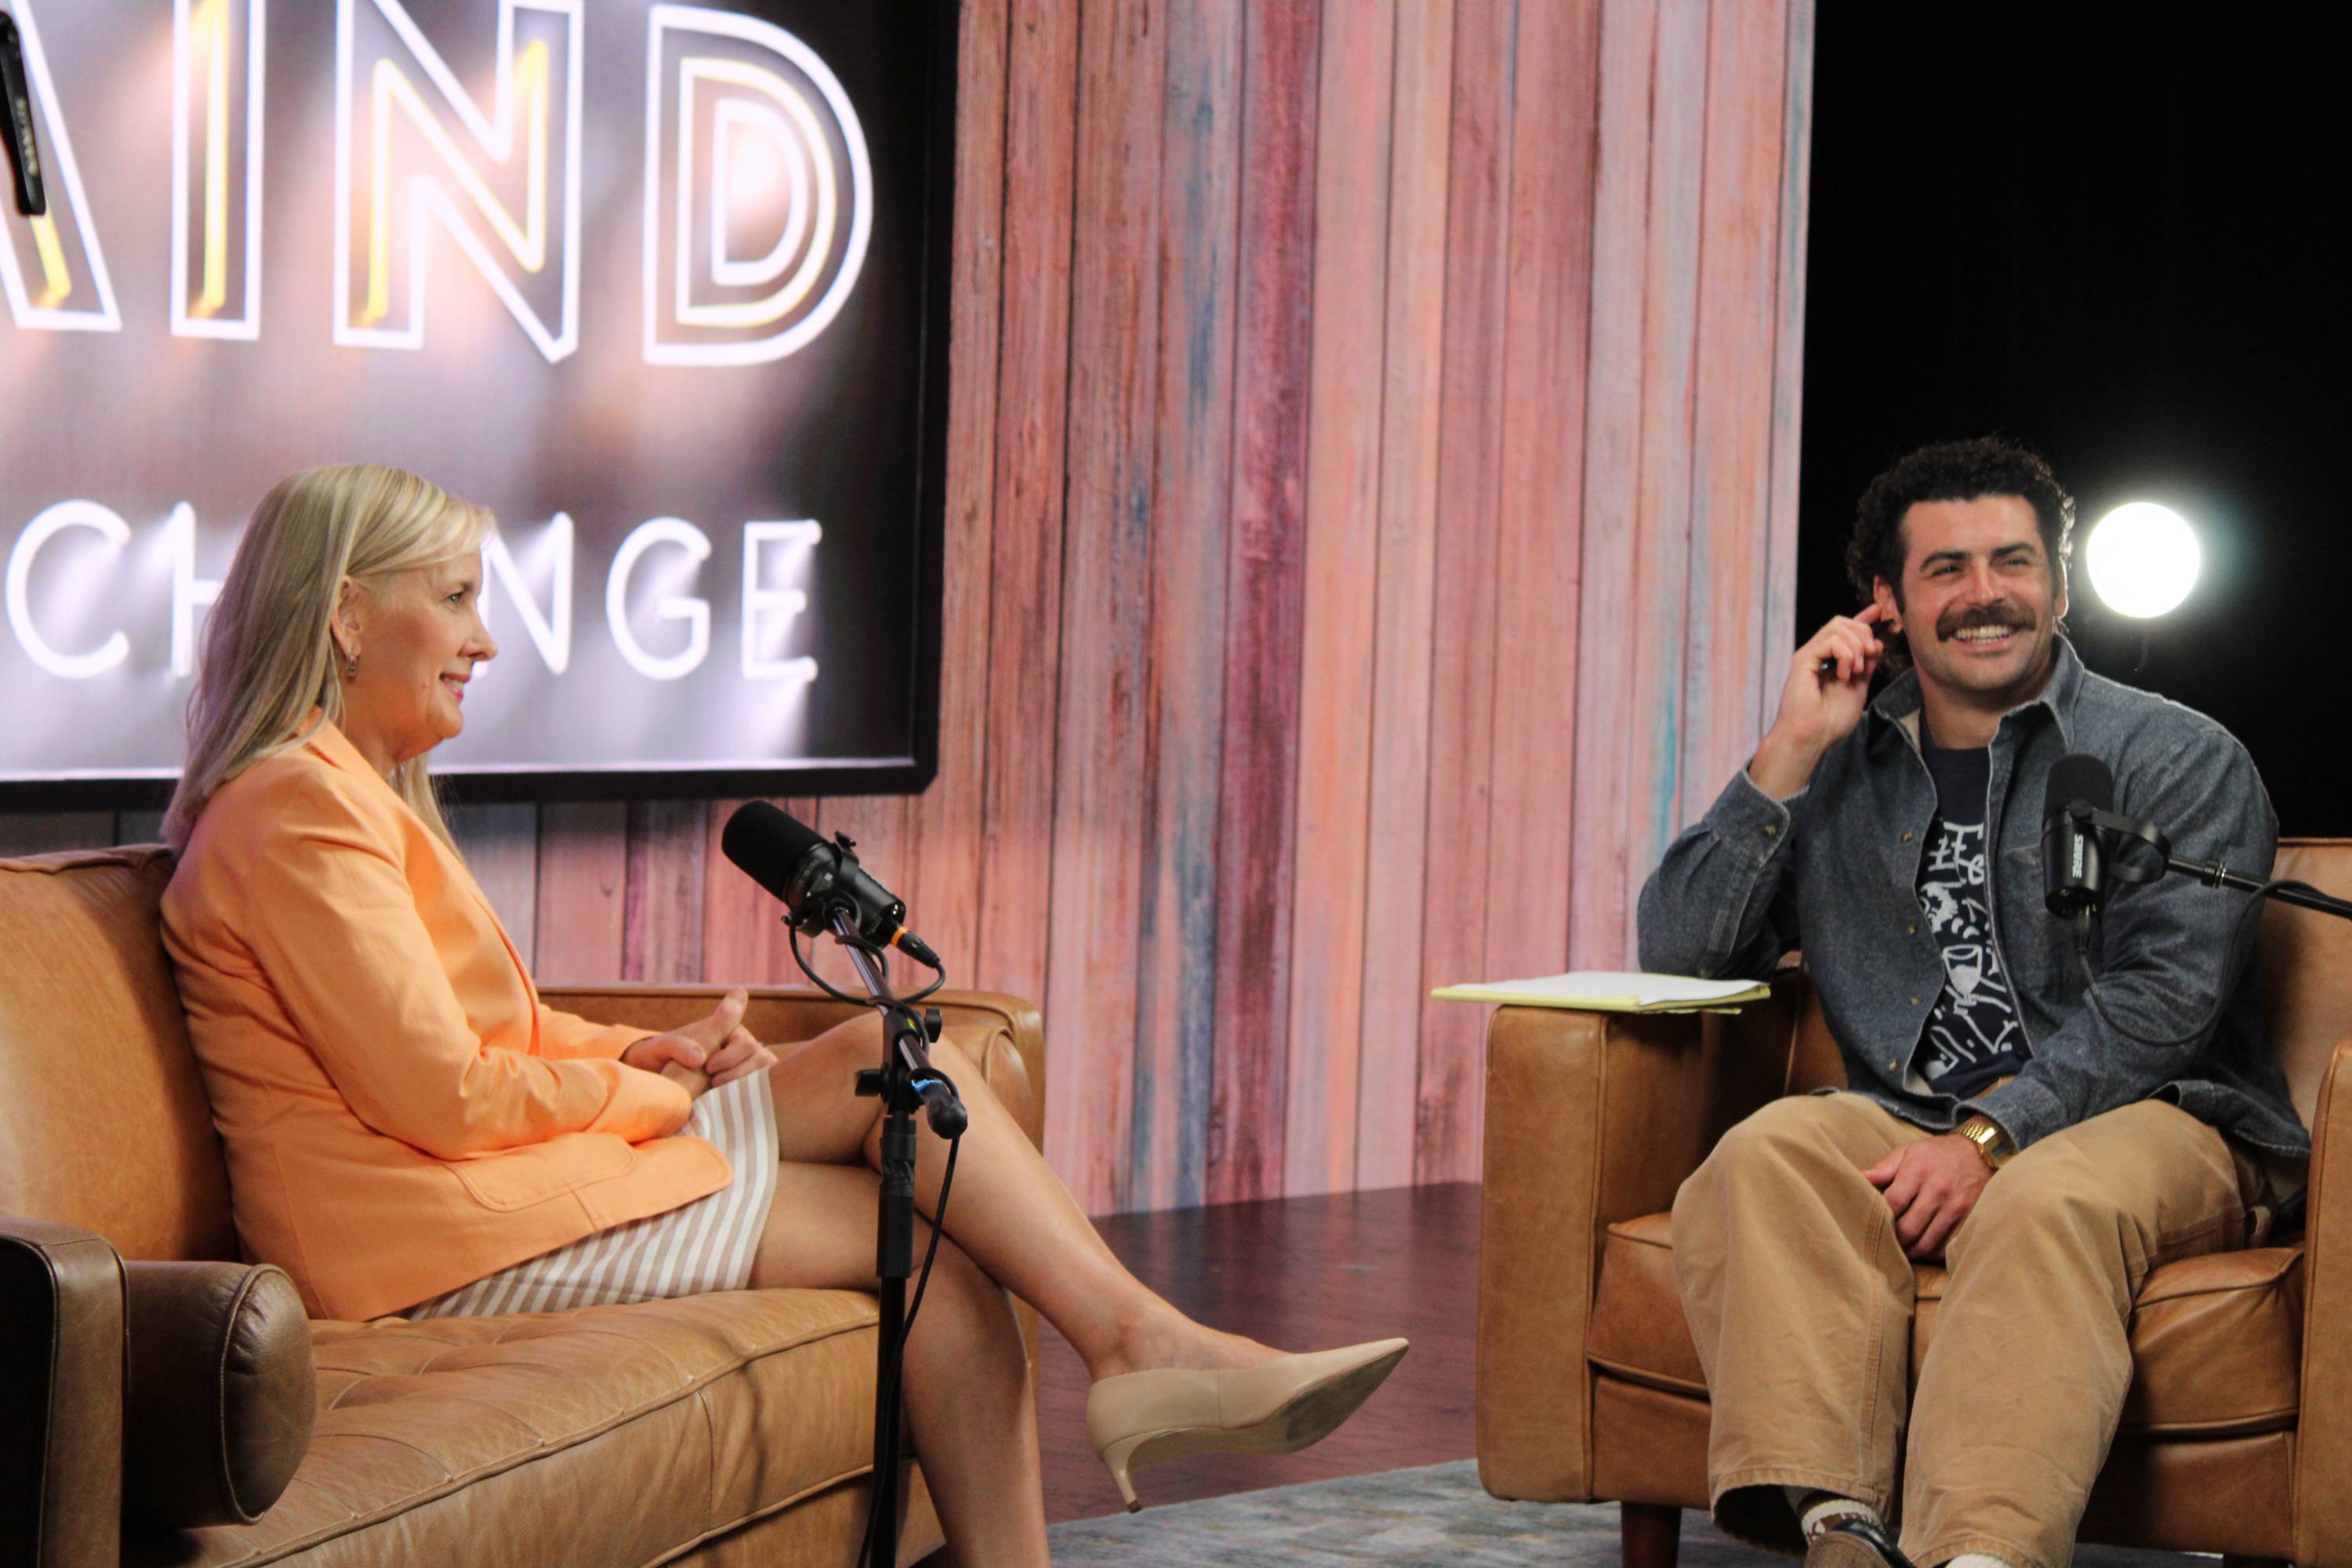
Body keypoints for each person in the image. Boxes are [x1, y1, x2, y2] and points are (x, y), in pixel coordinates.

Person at [159, 464, 1405, 1565]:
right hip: (420, 1249)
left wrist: (646, 1052)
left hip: (473, 1193)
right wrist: (661, 1094)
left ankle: (1142, 1342)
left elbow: (501, 1032)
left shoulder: (348, 799)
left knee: (890, 1057)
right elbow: (440, 1095)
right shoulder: (296, 815)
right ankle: (1142, 1348)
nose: (485, 638)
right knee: (925, 1238)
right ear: (343, 612)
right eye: (455, 597)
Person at [1636, 437, 2307, 1568]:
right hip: (1910, 1106)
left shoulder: (2169, 756)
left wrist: (1995, 1138)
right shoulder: (1842, 768)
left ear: (2058, 580)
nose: (1988, 595)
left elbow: (2163, 1004)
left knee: (2043, 1200)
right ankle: (1838, 1526)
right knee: (1764, 1156)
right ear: (1887, 603)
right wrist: (1791, 749)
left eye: (2014, 562)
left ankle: (1981, 1556)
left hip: (2158, 1114)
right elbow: (1683, 956)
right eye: (1947, 570)